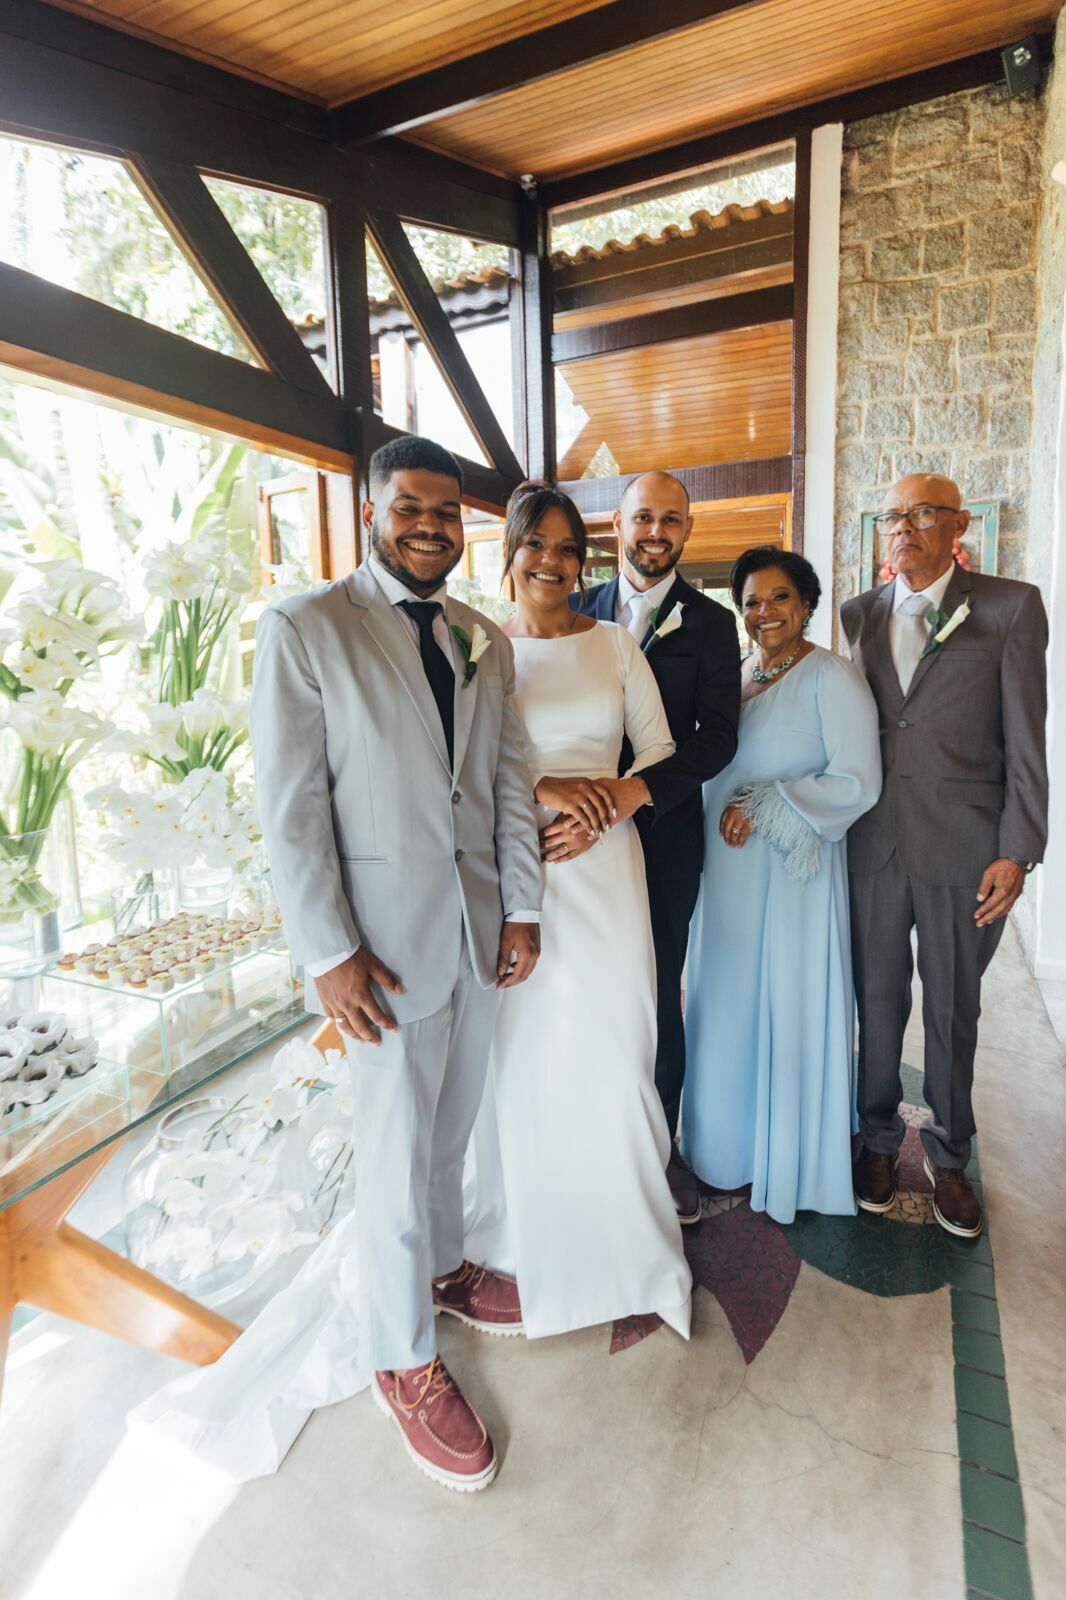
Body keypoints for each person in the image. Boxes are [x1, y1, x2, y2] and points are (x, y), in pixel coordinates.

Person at [132, 436, 542, 1491]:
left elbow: (504, 784)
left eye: (448, 513)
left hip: (473, 927)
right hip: (380, 947)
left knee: (451, 1124)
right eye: (410, 506)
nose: (431, 526)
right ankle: (401, 1359)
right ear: (372, 511)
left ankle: (446, 1267)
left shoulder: (480, 637)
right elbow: (292, 807)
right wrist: (330, 952)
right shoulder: (307, 626)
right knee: (396, 1150)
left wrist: (521, 908)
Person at [465, 481, 693, 1339]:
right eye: (538, 546)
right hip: (521, 877)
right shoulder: (481, 652)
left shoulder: (614, 645)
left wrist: (612, 802)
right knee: (527, 1054)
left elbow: (663, 751)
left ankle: (629, 1243)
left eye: (569, 549)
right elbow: (463, 765)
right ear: (510, 554)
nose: (554, 563)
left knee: (617, 1047)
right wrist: (540, 792)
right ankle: (527, 1237)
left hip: (607, 873)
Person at [843, 474, 1048, 1238]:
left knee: (954, 1003)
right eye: (892, 515)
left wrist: (1018, 850)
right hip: (874, 842)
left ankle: (950, 1156)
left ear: (956, 524)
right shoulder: (858, 615)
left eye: (922, 513)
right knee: (877, 998)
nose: (904, 528)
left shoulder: (1009, 606)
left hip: (968, 846)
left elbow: (1028, 738)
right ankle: (873, 1140)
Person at [682, 547, 881, 1224]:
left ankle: (788, 1157)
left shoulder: (832, 677)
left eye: (779, 599)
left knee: (783, 1003)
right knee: (728, 999)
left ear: (806, 604)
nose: (764, 613)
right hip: (727, 880)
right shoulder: (740, 676)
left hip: (791, 880)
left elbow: (858, 779)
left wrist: (770, 803)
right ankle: (722, 1151)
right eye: (752, 603)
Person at [565, 471, 741, 1224]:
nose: (655, 532)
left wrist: (639, 792)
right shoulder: (573, 608)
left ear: (688, 531)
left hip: (665, 835)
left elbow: (718, 736)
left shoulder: (711, 624)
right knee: (584, 983)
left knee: (659, 980)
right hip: (575, 841)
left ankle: (660, 1149)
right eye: (643, 517)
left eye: (671, 520)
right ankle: (586, 1135)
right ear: (616, 524)